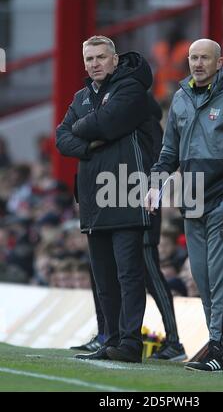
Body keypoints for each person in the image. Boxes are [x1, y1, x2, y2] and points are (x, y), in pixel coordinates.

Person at [145, 38, 223, 371]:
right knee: (204, 278)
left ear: (219, 61)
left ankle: (219, 351)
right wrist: (154, 186)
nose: (197, 63)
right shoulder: (180, 98)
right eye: (193, 57)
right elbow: (169, 153)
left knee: (221, 278)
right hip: (191, 199)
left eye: (204, 58)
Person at [56, 35, 153, 363]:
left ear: (114, 59)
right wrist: (88, 145)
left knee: (128, 273)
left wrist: (81, 130)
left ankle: (130, 343)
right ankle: (109, 338)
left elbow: (107, 123)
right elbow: (61, 138)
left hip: (126, 191)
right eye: (89, 59)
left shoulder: (131, 90)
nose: (94, 63)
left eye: (100, 57)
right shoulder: (81, 96)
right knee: (104, 276)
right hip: (94, 199)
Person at [71, 93, 186, 361]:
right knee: (104, 272)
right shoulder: (121, 120)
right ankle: (105, 334)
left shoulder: (143, 122)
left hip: (140, 203)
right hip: (111, 205)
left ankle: (174, 340)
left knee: (148, 270)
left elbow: (158, 162)